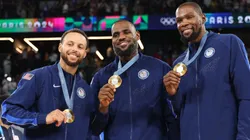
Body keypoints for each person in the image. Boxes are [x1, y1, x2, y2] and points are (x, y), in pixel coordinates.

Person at [163, 2, 250, 140]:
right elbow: (179, 110)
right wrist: (173, 94)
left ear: (203, 18)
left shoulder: (229, 43)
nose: (184, 23)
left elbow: (246, 96)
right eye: (179, 20)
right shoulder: (179, 63)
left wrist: (244, 137)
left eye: (189, 17)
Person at [1, 28, 106, 140]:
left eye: (80, 47)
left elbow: (93, 131)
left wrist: (104, 109)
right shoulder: (38, 77)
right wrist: (44, 118)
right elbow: (8, 112)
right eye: (70, 44)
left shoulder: (86, 89)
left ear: (84, 53)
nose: (74, 49)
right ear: (60, 47)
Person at [90, 20, 179, 140]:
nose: (121, 37)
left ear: (137, 36)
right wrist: (103, 108)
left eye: (126, 32)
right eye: (116, 35)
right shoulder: (101, 77)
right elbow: (94, 129)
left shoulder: (160, 69)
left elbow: (172, 117)